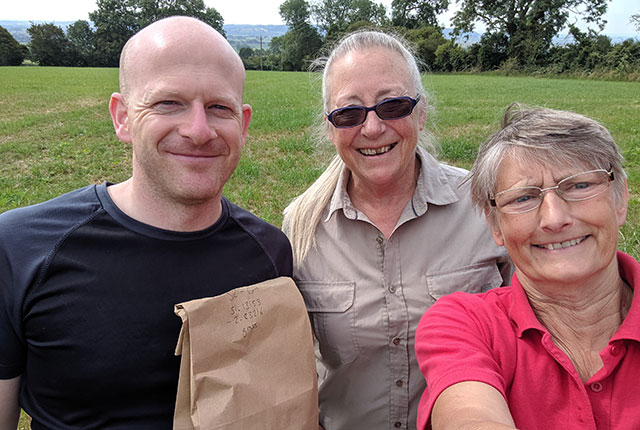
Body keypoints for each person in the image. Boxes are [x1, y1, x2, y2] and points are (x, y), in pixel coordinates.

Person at [0, 16, 292, 429]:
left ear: (242, 125)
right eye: (167, 103)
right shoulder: (20, 248)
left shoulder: (270, 254)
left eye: (218, 108)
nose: (198, 130)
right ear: (122, 117)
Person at [282, 30, 510, 430]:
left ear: (420, 112)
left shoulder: (484, 206)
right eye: (350, 114)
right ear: (331, 127)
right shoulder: (301, 226)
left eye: (393, 105)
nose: (372, 128)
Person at [415, 103, 640, 430]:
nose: (555, 219)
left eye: (579, 186)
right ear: (496, 227)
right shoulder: (468, 325)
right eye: (522, 198)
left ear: (620, 199)